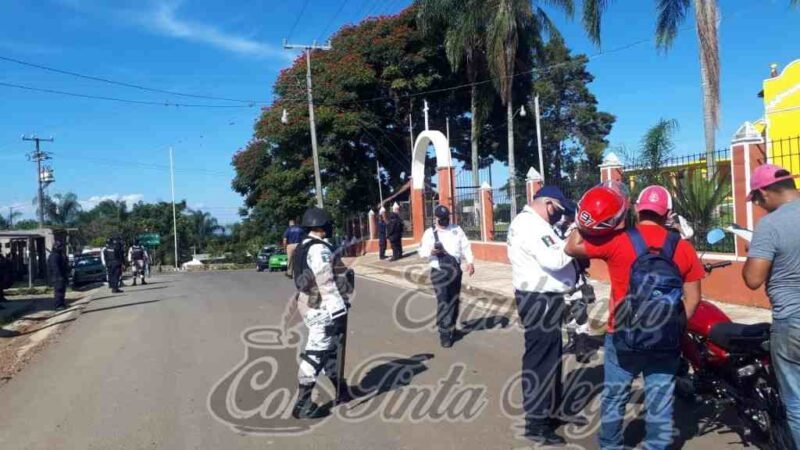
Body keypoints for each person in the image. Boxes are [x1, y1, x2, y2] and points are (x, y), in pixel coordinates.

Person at [565, 184, 704, 450]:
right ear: (669, 214)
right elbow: (694, 299)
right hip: (665, 337)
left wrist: (584, 216)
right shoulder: (683, 248)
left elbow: (572, 247)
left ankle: (611, 446)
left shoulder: (618, 240)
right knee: (660, 399)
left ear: (637, 209)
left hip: (622, 332)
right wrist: (672, 327)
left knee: (615, 396)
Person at [507, 186, 576, 445]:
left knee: (552, 356)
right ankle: (536, 422)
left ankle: (551, 412)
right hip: (539, 300)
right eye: (557, 211)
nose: (559, 216)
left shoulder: (535, 224)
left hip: (544, 299)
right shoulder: (531, 226)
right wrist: (574, 237)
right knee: (541, 361)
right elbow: (555, 260)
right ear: (547, 203)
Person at [742, 164, 800, 448]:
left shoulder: (771, 225)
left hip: (793, 321)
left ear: (764, 192)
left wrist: (756, 254)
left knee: (797, 401)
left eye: (755, 199)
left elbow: (753, 279)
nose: (757, 205)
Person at [291, 207, 355, 419]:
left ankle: (341, 389)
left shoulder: (302, 246)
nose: (329, 227)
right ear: (320, 226)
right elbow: (326, 281)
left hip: (307, 302)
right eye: (327, 224)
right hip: (321, 306)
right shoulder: (319, 249)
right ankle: (303, 402)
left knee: (331, 347)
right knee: (317, 350)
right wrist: (338, 308)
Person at [418, 205, 475, 348]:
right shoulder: (430, 233)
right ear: (436, 218)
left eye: (446, 218)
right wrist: (431, 251)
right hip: (439, 272)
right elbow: (422, 252)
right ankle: (444, 333)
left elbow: (466, 246)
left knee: (454, 300)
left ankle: (452, 327)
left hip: (455, 271)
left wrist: (470, 261)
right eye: (441, 218)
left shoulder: (456, 230)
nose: (444, 221)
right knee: (443, 301)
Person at [555, 200, 596, 363]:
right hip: (560, 281)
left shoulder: (578, 231)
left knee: (580, 315)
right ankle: (573, 341)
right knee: (567, 315)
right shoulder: (556, 229)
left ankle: (582, 347)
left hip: (576, 280)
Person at [47, 240, 70, 310]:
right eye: (60, 247)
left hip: (62, 275)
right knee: (58, 291)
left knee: (62, 291)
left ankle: (62, 303)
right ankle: (58, 305)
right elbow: (55, 267)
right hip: (57, 277)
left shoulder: (60, 254)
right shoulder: (54, 255)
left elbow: (64, 264)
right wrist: (59, 276)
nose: (61, 248)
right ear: (56, 247)